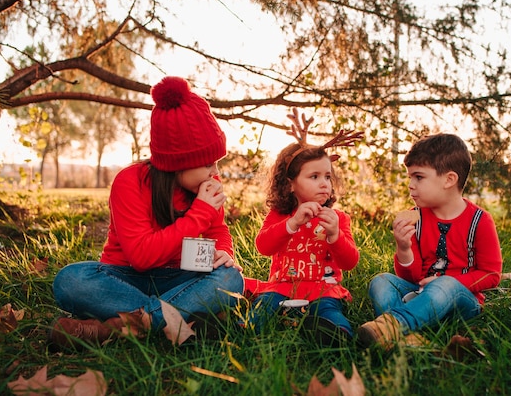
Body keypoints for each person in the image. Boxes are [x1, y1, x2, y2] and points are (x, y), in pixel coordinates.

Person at [49, 76, 244, 350]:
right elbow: (141, 257)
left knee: (230, 279)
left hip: (181, 276)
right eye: (208, 163)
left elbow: (217, 229)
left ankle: (118, 328)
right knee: (70, 281)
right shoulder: (129, 182)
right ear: (178, 163)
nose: (215, 171)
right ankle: (184, 318)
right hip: (124, 278)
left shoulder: (207, 184)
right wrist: (198, 213)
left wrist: (224, 252)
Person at [357, 133, 502, 351]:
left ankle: (393, 325)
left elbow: (491, 274)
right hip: (420, 293)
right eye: (409, 178)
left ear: (449, 179)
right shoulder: (416, 218)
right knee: (381, 281)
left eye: (419, 177)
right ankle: (406, 337)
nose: (410, 185)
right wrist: (404, 248)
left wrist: (448, 282)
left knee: (445, 284)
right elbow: (413, 277)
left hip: (462, 303)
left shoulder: (479, 221)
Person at [244, 108, 361, 346]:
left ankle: (335, 333)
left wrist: (335, 235)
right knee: (261, 310)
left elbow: (349, 262)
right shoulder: (280, 215)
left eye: (327, 177)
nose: (324, 184)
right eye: (314, 177)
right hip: (281, 287)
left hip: (322, 290)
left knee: (329, 311)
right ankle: (240, 330)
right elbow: (263, 246)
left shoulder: (337, 218)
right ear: (290, 185)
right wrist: (292, 223)